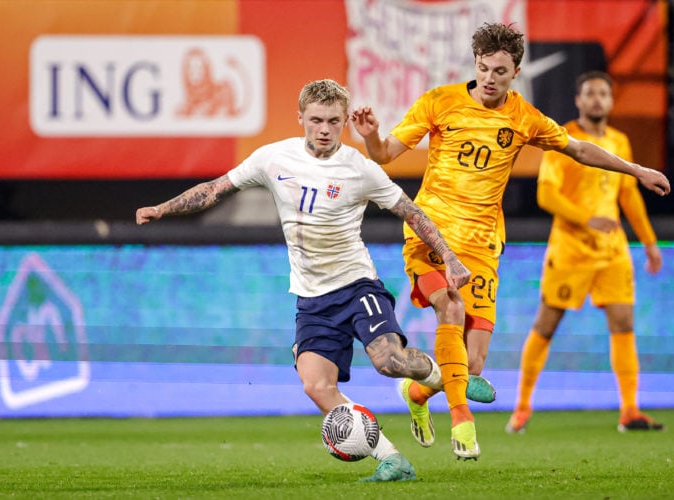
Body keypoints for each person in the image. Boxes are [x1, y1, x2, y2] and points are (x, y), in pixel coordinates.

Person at [350, 22, 670, 460]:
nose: (489, 78)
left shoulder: (523, 117)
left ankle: (418, 394)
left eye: (499, 70)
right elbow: (385, 154)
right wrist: (370, 135)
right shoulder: (439, 102)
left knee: (473, 364)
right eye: (483, 68)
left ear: (515, 71)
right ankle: (463, 421)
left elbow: (578, 149)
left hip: (482, 245)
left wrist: (637, 171)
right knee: (450, 305)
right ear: (475, 64)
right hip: (430, 233)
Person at [136, 79, 472, 482]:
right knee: (316, 386)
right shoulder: (273, 158)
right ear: (301, 119)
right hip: (312, 300)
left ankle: (440, 377)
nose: (325, 129)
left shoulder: (360, 169)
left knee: (390, 362)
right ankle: (393, 460)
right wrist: (163, 208)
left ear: (345, 121)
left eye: (334, 120)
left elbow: (412, 213)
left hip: (356, 287)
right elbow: (216, 189)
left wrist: (449, 257)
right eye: (316, 120)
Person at [505, 71, 664, 434]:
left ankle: (629, 411)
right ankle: (523, 407)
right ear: (578, 100)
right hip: (571, 250)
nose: (596, 100)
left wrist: (650, 242)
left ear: (610, 101)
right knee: (546, 326)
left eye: (603, 94)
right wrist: (587, 219)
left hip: (612, 252)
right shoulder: (563, 140)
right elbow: (547, 194)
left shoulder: (620, 143)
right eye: (589, 93)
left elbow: (628, 196)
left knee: (623, 324)